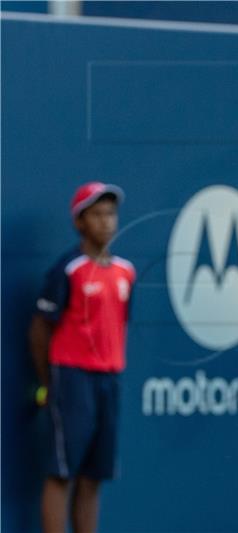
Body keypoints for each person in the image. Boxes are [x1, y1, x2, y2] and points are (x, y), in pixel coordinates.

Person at [29, 182, 136, 533]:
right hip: (71, 380)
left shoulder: (126, 271)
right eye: (97, 214)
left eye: (110, 213)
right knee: (62, 474)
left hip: (109, 380)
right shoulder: (67, 269)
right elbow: (40, 330)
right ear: (80, 222)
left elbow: (120, 325)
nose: (106, 221)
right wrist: (49, 383)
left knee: (93, 478)